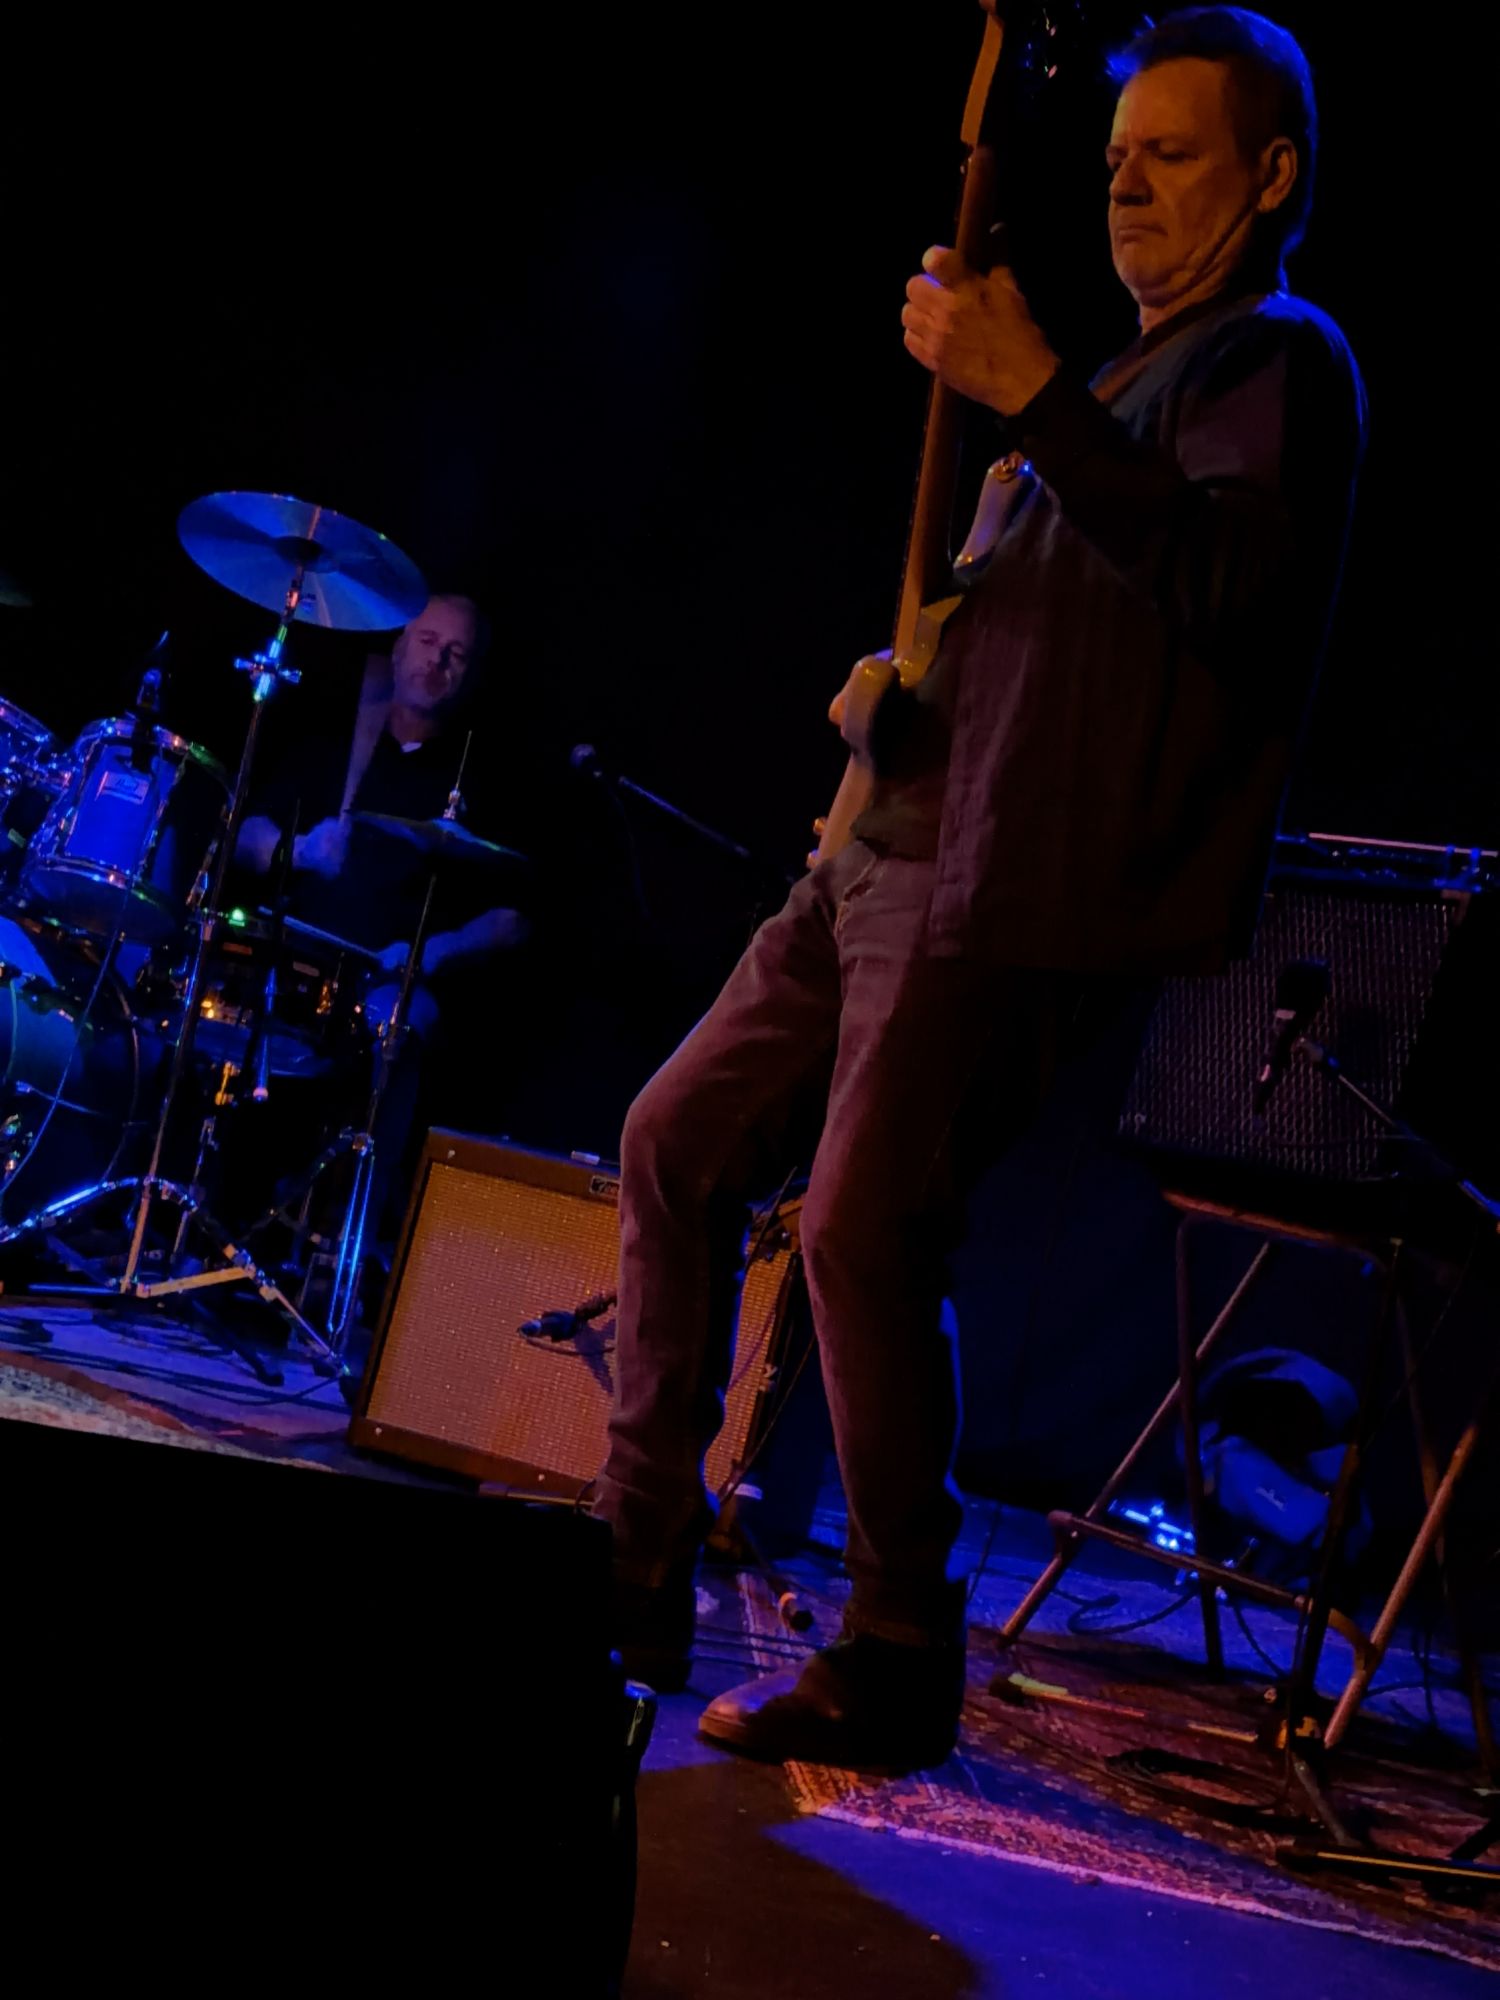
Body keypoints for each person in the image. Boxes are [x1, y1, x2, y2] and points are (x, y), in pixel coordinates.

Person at [594, 6, 1367, 1771]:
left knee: (866, 1228)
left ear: (1271, 175)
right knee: (675, 1140)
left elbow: (1230, 590)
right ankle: (632, 1561)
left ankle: (895, 1648)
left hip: (1009, 884)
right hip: (887, 843)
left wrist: (1034, 394)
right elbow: (1040, 628)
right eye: (1115, 162)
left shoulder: (1278, 363)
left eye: (1171, 156)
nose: (1127, 192)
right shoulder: (1113, 395)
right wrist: (905, 689)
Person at [234, 592, 531, 1224]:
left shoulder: (479, 779)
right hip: (294, 955)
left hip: (391, 978)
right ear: (398, 650)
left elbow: (511, 920)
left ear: (470, 675)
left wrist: (428, 955)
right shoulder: (333, 744)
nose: (437, 662)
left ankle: (347, 1231)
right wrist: (299, 851)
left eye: (456, 654)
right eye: (427, 642)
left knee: (401, 1026)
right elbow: (246, 835)